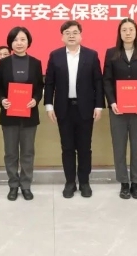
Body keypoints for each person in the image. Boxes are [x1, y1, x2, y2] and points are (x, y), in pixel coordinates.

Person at [44, 20, 104, 198]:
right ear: (62, 37)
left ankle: (84, 182)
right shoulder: (55, 56)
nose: (71, 36)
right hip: (64, 108)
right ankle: (70, 182)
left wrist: (99, 105)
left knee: (85, 148)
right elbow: (49, 82)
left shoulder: (91, 55)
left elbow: (98, 82)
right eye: (67, 33)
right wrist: (49, 105)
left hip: (85, 108)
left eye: (75, 32)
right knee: (67, 147)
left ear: (80, 35)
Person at [103, 18, 137, 200]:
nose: (128, 33)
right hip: (118, 110)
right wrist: (112, 102)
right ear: (120, 33)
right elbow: (107, 80)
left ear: (136, 32)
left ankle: (136, 183)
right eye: (124, 29)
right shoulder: (111, 53)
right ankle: (124, 183)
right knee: (119, 147)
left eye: (131, 29)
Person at [0, 27, 44, 201]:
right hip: (9, 115)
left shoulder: (36, 63)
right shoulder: (4, 63)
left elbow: (39, 87)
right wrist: (2, 100)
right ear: (10, 43)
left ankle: (26, 185)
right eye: (15, 40)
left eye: (23, 39)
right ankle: (13, 185)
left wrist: (35, 100)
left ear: (28, 42)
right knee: (10, 153)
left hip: (29, 115)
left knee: (28, 152)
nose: (19, 43)